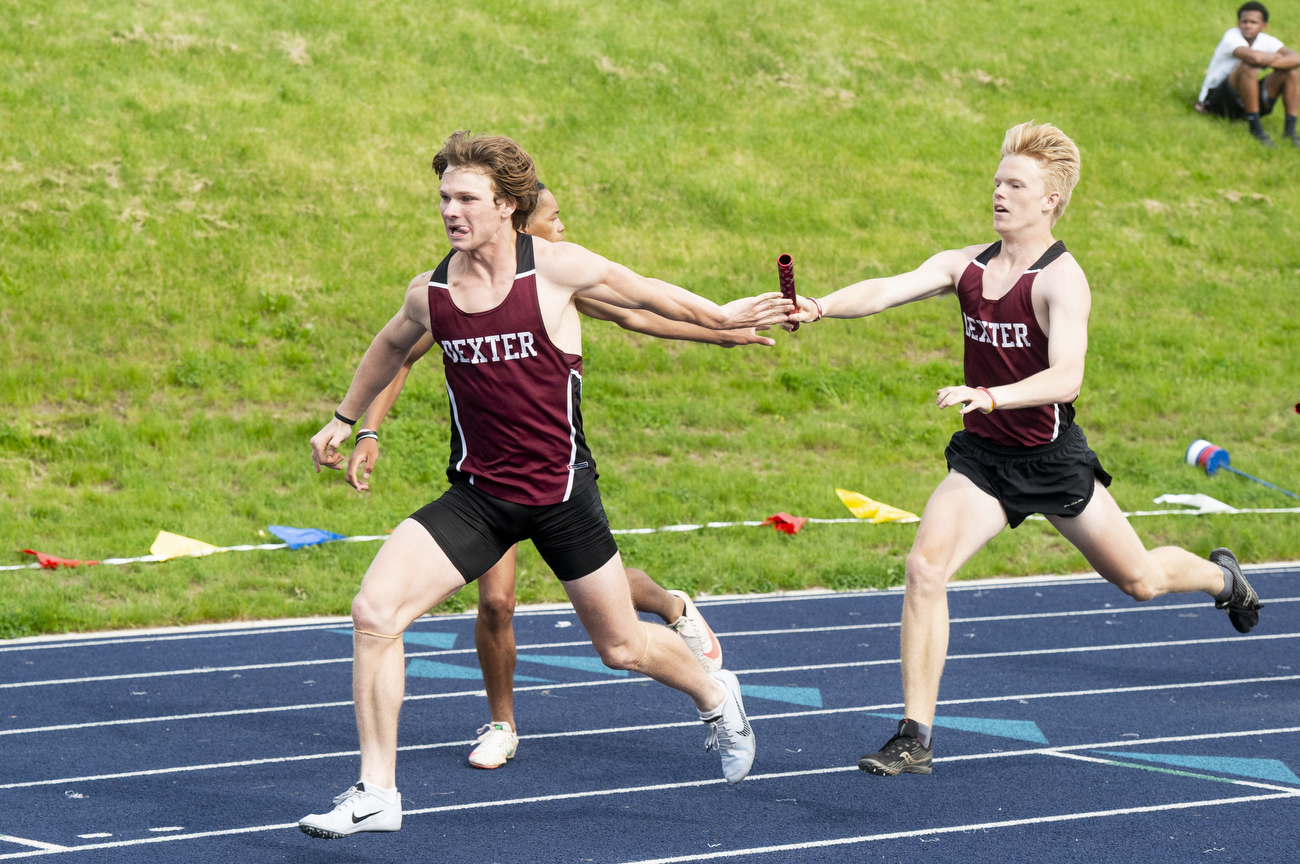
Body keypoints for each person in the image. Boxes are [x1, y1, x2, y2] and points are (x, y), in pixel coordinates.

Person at [299, 131, 790, 838]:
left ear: (506, 205)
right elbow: (388, 347)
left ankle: (716, 692)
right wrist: (347, 418)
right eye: (444, 197)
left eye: (467, 198)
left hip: (560, 495)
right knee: (375, 612)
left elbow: (643, 295)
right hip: (478, 497)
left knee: (621, 648)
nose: (450, 211)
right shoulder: (431, 292)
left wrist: (721, 316)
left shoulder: (555, 271)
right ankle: (377, 790)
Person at [785, 121, 1262, 778]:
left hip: (1051, 460)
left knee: (1141, 581)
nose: (1000, 193)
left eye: (1016, 184)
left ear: (1050, 202)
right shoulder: (967, 266)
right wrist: (820, 306)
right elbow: (889, 287)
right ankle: (914, 734)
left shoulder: (1061, 280)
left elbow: (1067, 376)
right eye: (997, 181)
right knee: (925, 570)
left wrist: (992, 394)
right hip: (983, 463)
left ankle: (1222, 578)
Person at [1194, 2, 1300, 147]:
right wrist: (1275, 59)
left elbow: (1296, 59)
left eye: (1253, 22)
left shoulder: (1266, 40)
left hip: (1246, 99)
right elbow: (1254, 58)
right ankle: (1256, 130)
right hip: (1217, 100)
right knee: (1248, 67)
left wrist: (1269, 61)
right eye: (1245, 22)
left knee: (1291, 72)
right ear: (1238, 23)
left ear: (1263, 26)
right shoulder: (1231, 37)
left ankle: (1290, 133)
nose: (1248, 26)